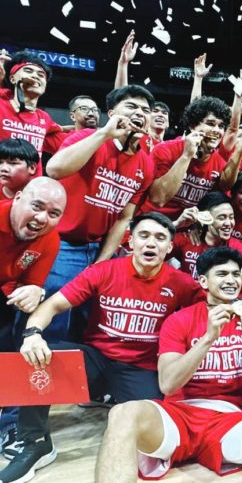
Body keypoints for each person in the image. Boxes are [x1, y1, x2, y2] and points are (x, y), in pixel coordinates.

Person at [0, 213, 203, 482]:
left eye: (160, 238)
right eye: (144, 236)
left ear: (168, 247)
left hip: (140, 367)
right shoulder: (105, 270)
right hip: (97, 360)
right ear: (130, 241)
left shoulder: (181, 283)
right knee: (37, 357)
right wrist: (33, 334)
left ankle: (116, 400)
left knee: (156, 435)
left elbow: (209, 308)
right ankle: (35, 443)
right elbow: (53, 305)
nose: (150, 244)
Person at [94, 247, 242, 482]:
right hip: (179, 415)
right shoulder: (179, 320)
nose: (231, 280)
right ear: (203, 281)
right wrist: (208, 338)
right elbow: (168, 385)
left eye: (236, 274)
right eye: (222, 274)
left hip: (229, 420)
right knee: (122, 412)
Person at [40, 85, 156, 341]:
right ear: (112, 111)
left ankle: (74, 370)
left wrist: (103, 260)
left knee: (87, 312)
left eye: (146, 110)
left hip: (98, 247)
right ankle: (33, 374)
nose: (140, 113)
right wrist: (104, 134)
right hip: (61, 243)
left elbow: (124, 217)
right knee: (51, 310)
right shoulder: (88, 137)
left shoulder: (146, 164)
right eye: (132, 106)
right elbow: (54, 169)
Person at [141, 96, 235, 221]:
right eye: (210, 124)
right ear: (192, 126)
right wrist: (186, 156)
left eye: (221, 126)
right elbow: (158, 199)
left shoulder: (220, 164)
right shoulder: (165, 150)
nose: (216, 131)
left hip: (186, 230)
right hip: (151, 222)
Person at [0, 177, 66, 352]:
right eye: (36, 206)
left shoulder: (50, 239)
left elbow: (31, 285)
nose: (42, 218)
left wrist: (36, 292)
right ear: (17, 198)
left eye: (53, 214)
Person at [171, 192, 242, 305]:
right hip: (189, 311)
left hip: (223, 309)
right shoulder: (188, 239)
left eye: (231, 217)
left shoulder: (238, 246)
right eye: (221, 218)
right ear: (205, 219)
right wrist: (176, 225)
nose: (229, 223)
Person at [0, 51, 62, 170]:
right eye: (28, 71)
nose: (35, 76)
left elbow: (63, 131)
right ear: (12, 78)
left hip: (31, 187)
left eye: (41, 75)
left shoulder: (44, 118)